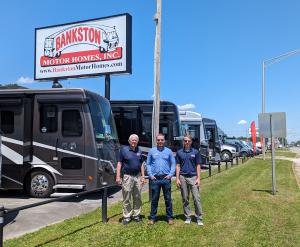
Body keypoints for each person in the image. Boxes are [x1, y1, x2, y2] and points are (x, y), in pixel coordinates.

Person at [146, 133, 176, 225]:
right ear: (156, 140)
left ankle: (170, 217)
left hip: (166, 178)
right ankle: (152, 218)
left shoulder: (169, 151)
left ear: (164, 140)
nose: (160, 141)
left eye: (162, 140)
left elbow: (173, 164)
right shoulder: (151, 151)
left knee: (168, 199)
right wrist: (150, 175)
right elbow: (148, 164)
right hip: (155, 179)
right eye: (158, 140)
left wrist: (171, 174)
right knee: (154, 199)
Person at [116, 134, 145, 225]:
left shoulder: (139, 150)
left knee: (137, 197)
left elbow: (141, 164)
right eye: (132, 140)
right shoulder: (123, 150)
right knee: (127, 197)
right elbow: (119, 163)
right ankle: (127, 216)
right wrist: (117, 176)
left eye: (135, 140)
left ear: (137, 141)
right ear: (129, 141)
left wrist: (143, 176)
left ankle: (136, 215)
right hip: (127, 177)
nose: (134, 141)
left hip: (137, 176)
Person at [176, 134, 204, 226]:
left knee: (196, 198)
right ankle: (188, 216)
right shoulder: (179, 152)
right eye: (185, 141)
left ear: (191, 142)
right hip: (183, 177)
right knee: (185, 198)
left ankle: (199, 217)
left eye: (188, 141)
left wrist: (199, 178)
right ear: (183, 142)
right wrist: (177, 179)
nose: (187, 142)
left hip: (193, 177)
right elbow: (178, 166)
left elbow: (198, 165)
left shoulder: (195, 152)